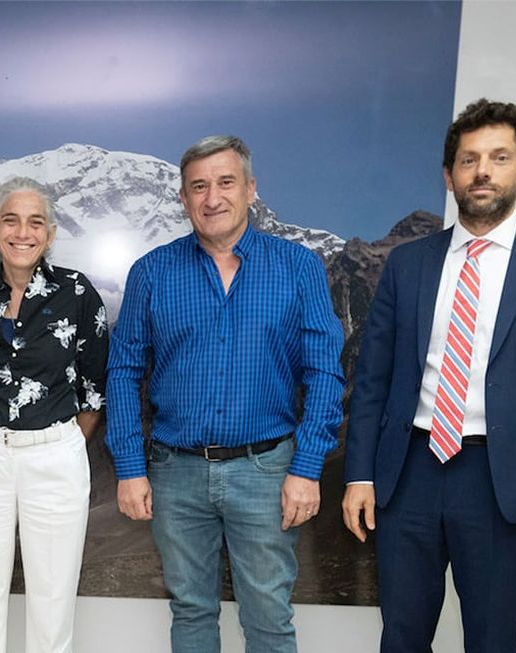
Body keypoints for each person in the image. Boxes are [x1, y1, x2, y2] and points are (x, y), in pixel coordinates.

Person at [106, 135, 344, 652]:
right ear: (183, 198)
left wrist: (307, 468)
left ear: (251, 189)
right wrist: (129, 467)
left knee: (268, 617)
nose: (212, 197)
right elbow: (123, 371)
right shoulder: (152, 272)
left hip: (267, 472)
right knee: (190, 611)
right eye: (199, 186)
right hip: (175, 473)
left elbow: (325, 373)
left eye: (226, 182)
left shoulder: (298, 267)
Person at [343, 99, 516, 651]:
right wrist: (359, 474)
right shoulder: (408, 264)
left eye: (499, 158)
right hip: (409, 472)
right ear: (449, 174)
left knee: (492, 639)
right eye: (468, 159)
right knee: (402, 636)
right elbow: (372, 380)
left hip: (504, 482)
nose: (482, 171)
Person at [0, 177, 108, 653]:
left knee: (53, 603)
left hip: (55, 457)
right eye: (11, 220)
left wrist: (60, 441)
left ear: (50, 234)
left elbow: (94, 388)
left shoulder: (76, 291)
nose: (23, 232)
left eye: (35, 222)